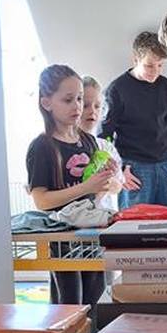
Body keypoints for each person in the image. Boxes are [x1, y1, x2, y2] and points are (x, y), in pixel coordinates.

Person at [26, 65, 113, 305]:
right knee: (70, 303)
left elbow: (93, 195)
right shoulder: (42, 147)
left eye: (80, 99)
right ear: (47, 103)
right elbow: (42, 201)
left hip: (90, 233)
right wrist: (86, 188)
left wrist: (103, 180)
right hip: (61, 238)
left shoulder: (88, 141)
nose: (77, 106)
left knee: (96, 299)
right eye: (68, 100)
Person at [100, 32, 167, 208]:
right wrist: (118, 171)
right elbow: (103, 136)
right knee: (134, 223)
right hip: (134, 170)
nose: (156, 71)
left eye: (160, 65)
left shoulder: (166, 86)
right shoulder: (116, 90)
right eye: (149, 66)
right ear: (135, 60)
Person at [78, 76, 123, 212]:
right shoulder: (62, 145)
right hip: (76, 216)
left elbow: (118, 186)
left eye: (97, 106)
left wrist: (107, 180)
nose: (93, 111)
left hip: (105, 216)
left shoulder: (106, 147)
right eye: (86, 105)